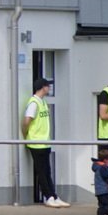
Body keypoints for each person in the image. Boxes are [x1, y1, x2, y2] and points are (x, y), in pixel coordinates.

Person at [22, 77, 70, 207]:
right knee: (42, 171)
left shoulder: (42, 102)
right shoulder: (34, 103)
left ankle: (53, 195)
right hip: (36, 142)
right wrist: (26, 135)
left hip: (44, 142)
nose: (49, 88)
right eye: (48, 86)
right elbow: (26, 121)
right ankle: (48, 196)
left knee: (47, 171)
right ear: (43, 87)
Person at [91, 144, 108, 215]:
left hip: (99, 191)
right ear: (105, 160)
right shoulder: (103, 168)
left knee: (101, 205)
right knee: (107, 204)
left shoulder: (98, 167)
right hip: (105, 190)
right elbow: (106, 177)